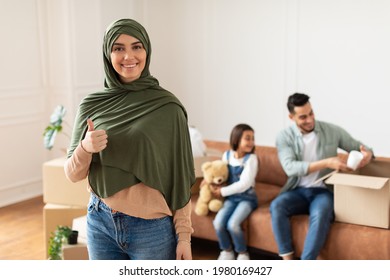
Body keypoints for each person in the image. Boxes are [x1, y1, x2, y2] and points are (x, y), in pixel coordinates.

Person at [64, 18, 195, 260]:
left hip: (151, 230)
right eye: (118, 48)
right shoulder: (92, 104)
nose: (128, 56)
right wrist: (85, 147)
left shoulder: (168, 108)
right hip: (99, 221)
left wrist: (184, 236)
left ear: (147, 50)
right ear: (108, 54)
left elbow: (180, 177)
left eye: (136, 47)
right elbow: (72, 174)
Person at [270, 92, 374, 260]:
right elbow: (290, 168)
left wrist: (367, 155)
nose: (310, 120)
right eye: (303, 117)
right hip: (297, 190)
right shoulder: (284, 137)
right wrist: (327, 163)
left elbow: (361, 147)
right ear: (291, 117)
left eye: (311, 113)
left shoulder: (331, 131)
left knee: (321, 212)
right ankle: (287, 261)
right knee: (277, 206)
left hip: (323, 191)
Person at [210, 124, 258, 260]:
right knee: (218, 223)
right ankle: (226, 251)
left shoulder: (252, 159)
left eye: (253, 139)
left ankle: (242, 253)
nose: (251, 142)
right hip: (231, 198)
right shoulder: (227, 155)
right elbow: (221, 174)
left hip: (247, 198)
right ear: (236, 139)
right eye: (247, 138)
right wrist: (210, 183)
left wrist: (222, 191)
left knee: (233, 224)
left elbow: (244, 184)